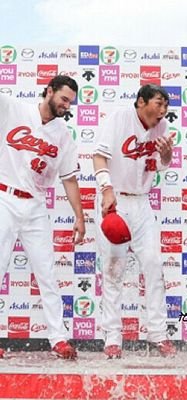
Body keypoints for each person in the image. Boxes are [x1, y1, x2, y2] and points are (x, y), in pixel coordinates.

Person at [0, 75, 86, 359]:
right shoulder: (14, 109)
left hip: (35, 206)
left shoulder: (63, 134)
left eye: (70, 102)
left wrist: (79, 217)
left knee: (47, 273)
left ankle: (58, 339)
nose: (66, 105)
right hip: (5, 197)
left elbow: (70, 178)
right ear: (49, 91)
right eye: (63, 98)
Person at [93, 84, 176, 359]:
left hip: (142, 202)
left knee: (153, 264)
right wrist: (106, 191)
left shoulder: (161, 128)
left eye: (165, 106)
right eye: (158, 104)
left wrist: (166, 155)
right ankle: (112, 338)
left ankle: (158, 335)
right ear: (141, 102)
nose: (163, 110)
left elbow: (161, 165)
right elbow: (99, 156)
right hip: (115, 199)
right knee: (114, 270)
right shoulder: (119, 118)